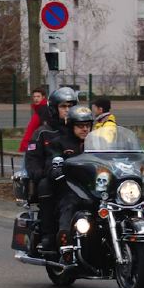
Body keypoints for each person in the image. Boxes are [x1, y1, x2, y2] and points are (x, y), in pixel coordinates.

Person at [25, 86, 78, 249]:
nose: (67, 110)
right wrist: (42, 174)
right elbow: (32, 160)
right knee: (44, 185)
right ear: (54, 109)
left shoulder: (80, 130)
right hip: (53, 178)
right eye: (63, 106)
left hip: (78, 179)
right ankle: (48, 234)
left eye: (71, 106)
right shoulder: (42, 133)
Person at [49, 104, 94, 248]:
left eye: (88, 125)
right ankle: (65, 242)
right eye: (80, 126)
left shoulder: (98, 144)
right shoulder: (59, 143)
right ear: (71, 126)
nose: (85, 129)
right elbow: (51, 163)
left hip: (95, 190)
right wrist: (57, 169)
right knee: (69, 203)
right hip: (70, 188)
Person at [19, 87, 50, 153]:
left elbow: (32, 130)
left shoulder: (42, 111)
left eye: (38, 96)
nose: (36, 99)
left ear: (43, 97)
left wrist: (25, 147)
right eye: (34, 97)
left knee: (29, 156)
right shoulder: (40, 110)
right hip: (36, 144)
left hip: (36, 144)